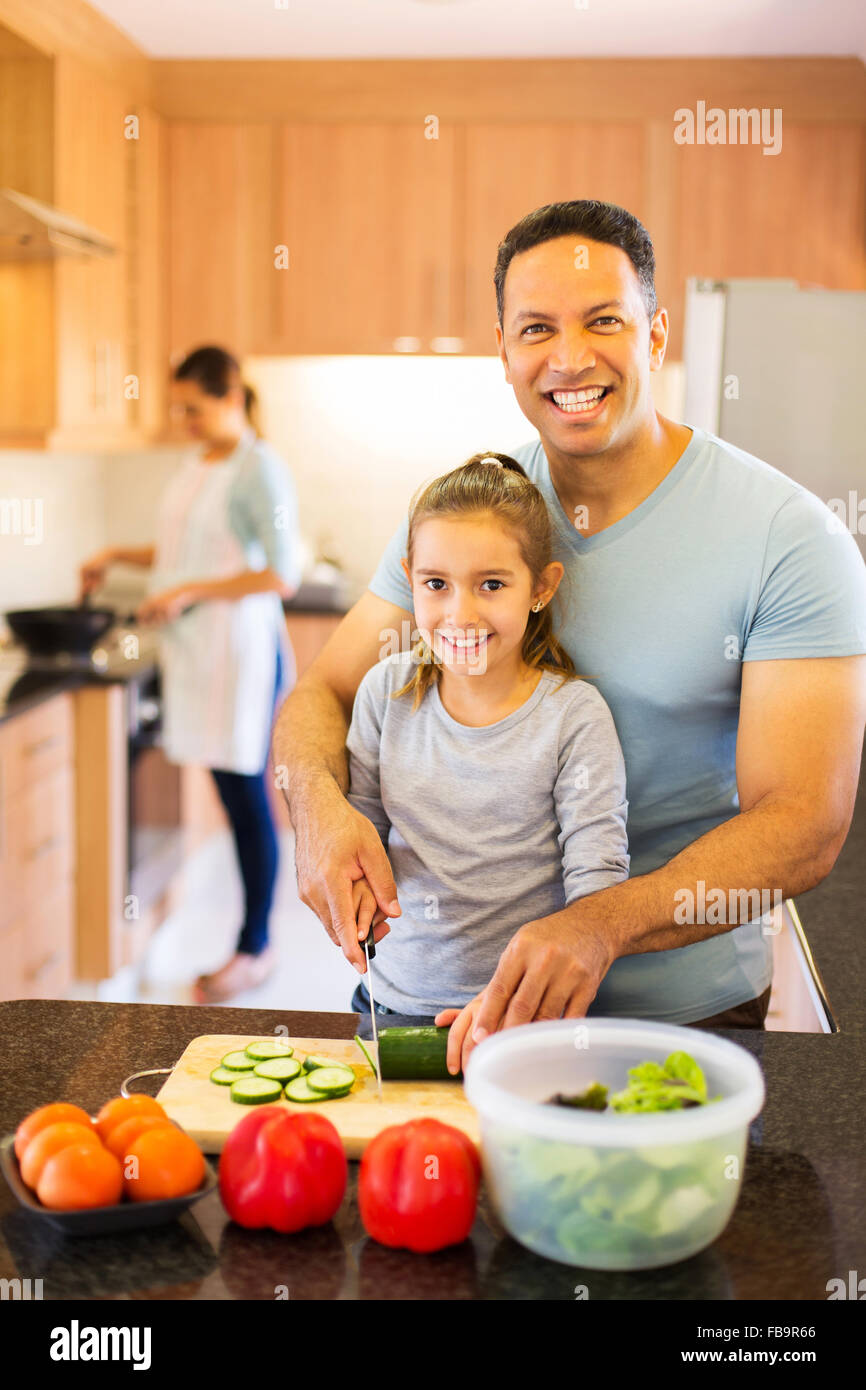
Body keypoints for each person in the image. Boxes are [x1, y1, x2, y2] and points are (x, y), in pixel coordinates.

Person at [273, 200, 866, 1074]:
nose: (570, 357)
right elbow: (320, 694)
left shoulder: (790, 538)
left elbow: (805, 824)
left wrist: (599, 925)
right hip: (444, 1012)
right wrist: (317, 813)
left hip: (680, 1015)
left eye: (604, 322)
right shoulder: (475, 517)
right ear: (505, 351)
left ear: (656, 333)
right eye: (537, 328)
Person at [345, 452, 629, 1049]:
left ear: (541, 588)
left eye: (492, 585)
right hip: (389, 1006)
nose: (460, 614)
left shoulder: (574, 715)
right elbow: (361, 836)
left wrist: (516, 1006)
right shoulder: (383, 695)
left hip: (523, 1019)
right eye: (436, 584)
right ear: (409, 577)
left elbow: (596, 881)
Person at [81, 345, 302, 1003]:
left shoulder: (259, 469)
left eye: (194, 409)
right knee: (232, 797)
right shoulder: (200, 462)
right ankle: (251, 942)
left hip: (237, 657)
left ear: (232, 397)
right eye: (178, 409)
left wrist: (187, 594)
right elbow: (184, 550)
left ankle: (255, 949)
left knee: (245, 802)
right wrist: (120, 554)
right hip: (198, 657)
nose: (185, 421)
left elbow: (281, 573)